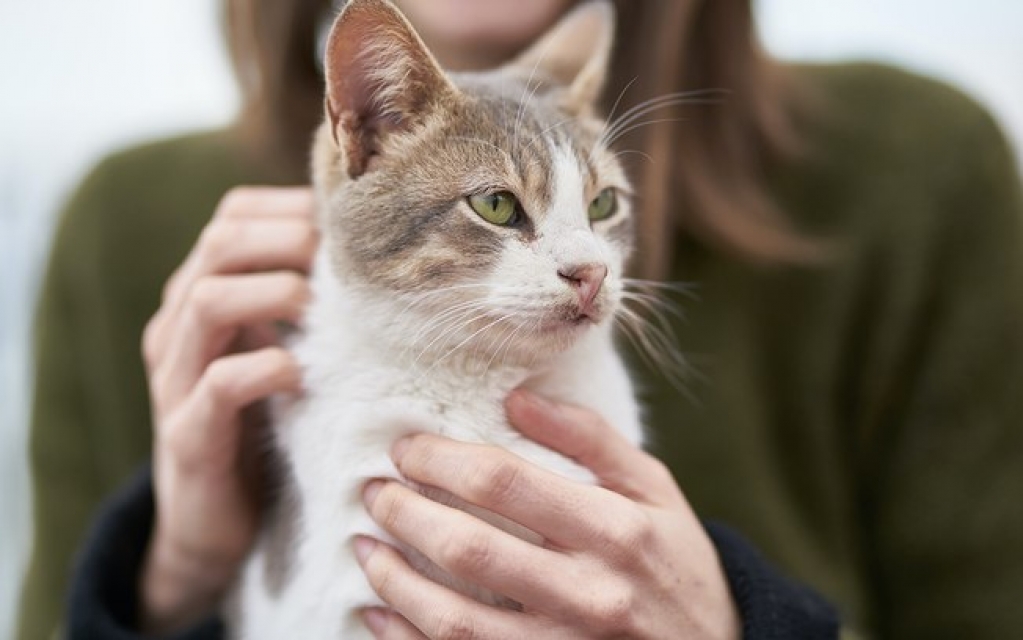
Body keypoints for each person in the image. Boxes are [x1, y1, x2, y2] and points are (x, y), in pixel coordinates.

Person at [17, 0, 1023, 638]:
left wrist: (743, 627)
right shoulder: (123, 224)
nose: (587, 271)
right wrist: (175, 581)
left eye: (601, 209)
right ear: (362, 126)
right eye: (500, 207)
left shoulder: (919, 168)